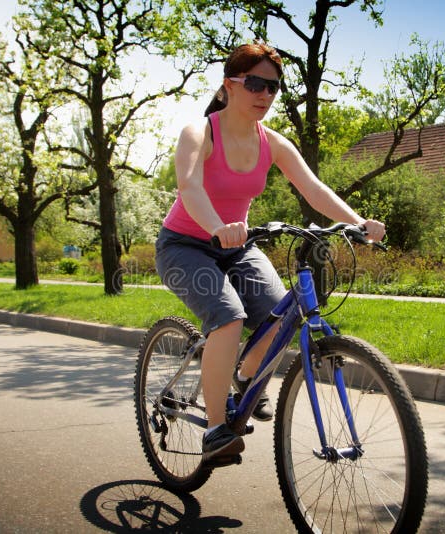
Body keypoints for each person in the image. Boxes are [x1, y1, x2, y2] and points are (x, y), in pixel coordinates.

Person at [155, 42, 385, 464]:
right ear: (230, 85)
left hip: (236, 245)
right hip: (185, 246)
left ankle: (242, 383)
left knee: (277, 316)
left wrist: (357, 222)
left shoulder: (272, 142)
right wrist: (217, 228)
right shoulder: (200, 132)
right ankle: (214, 428)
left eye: (273, 87)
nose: (265, 94)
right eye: (255, 83)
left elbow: (313, 188)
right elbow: (189, 187)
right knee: (227, 315)